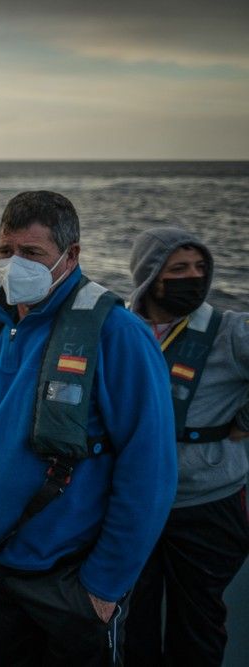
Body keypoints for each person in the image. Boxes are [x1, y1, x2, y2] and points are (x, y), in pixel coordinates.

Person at [0, 190, 177, 666]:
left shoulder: (116, 334)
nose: (14, 264)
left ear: (72, 256)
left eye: (31, 253)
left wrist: (104, 587)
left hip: (71, 577)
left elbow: (151, 469)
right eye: (6, 251)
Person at [123, 227, 249, 666]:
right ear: (151, 276)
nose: (193, 277)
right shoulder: (124, 329)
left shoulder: (230, 330)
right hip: (135, 504)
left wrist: (244, 421)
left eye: (200, 268)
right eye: (179, 269)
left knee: (196, 628)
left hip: (207, 505)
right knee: (128, 622)